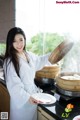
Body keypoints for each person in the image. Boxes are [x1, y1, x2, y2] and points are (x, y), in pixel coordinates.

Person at [3, 27, 52, 120]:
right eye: (14, 41)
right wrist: (27, 98)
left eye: (21, 40)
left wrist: (53, 55)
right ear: (10, 43)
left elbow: (40, 60)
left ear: (24, 39)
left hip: (33, 96)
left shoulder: (28, 54)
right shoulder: (9, 61)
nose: (19, 44)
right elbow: (14, 86)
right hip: (21, 101)